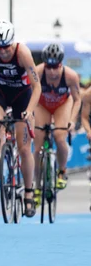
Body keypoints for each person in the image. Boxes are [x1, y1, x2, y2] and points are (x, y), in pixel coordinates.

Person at [0, 20, 41, 218]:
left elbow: (36, 86)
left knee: (24, 148)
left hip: (22, 95)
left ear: (12, 43)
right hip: (0, 92)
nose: (3, 52)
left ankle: (29, 192)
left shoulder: (23, 53)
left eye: (6, 47)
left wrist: (30, 111)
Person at [33, 43, 81, 192]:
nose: (52, 72)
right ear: (44, 65)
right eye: (49, 67)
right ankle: (37, 185)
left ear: (61, 64)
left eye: (56, 67)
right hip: (42, 105)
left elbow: (77, 99)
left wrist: (72, 121)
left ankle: (62, 171)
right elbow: (29, 94)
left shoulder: (70, 76)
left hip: (62, 104)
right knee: (38, 147)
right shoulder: (37, 72)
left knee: (59, 136)